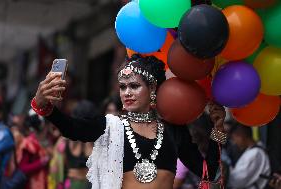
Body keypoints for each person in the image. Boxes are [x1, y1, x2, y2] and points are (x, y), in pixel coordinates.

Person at [31, 54, 227, 189]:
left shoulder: (173, 129)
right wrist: (43, 106)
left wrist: (217, 129)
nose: (127, 93)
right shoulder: (111, 127)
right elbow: (72, 128)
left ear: (152, 89)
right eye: (123, 87)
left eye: (134, 86)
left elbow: (209, 172)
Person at [228, 124, 271, 189]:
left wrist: (225, 170)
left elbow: (237, 182)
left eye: (234, 139)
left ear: (241, 135)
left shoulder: (255, 153)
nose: (235, 143)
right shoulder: (252, 151)